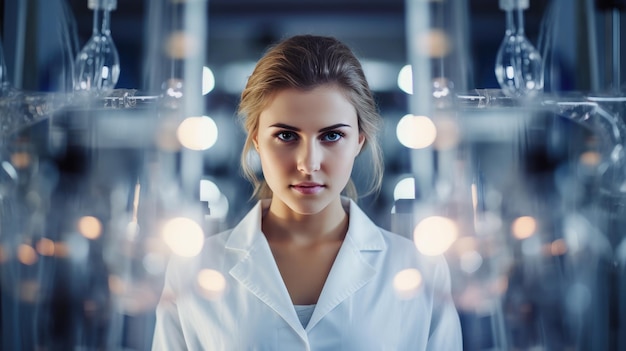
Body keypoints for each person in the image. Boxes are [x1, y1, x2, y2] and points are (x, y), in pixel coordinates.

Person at [152, 34, 463, 350]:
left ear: (359, 140)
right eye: (286, 135)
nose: (308, 163)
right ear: (256, 138)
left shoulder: (420, 269)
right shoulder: (193, 268)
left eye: (331, 136)